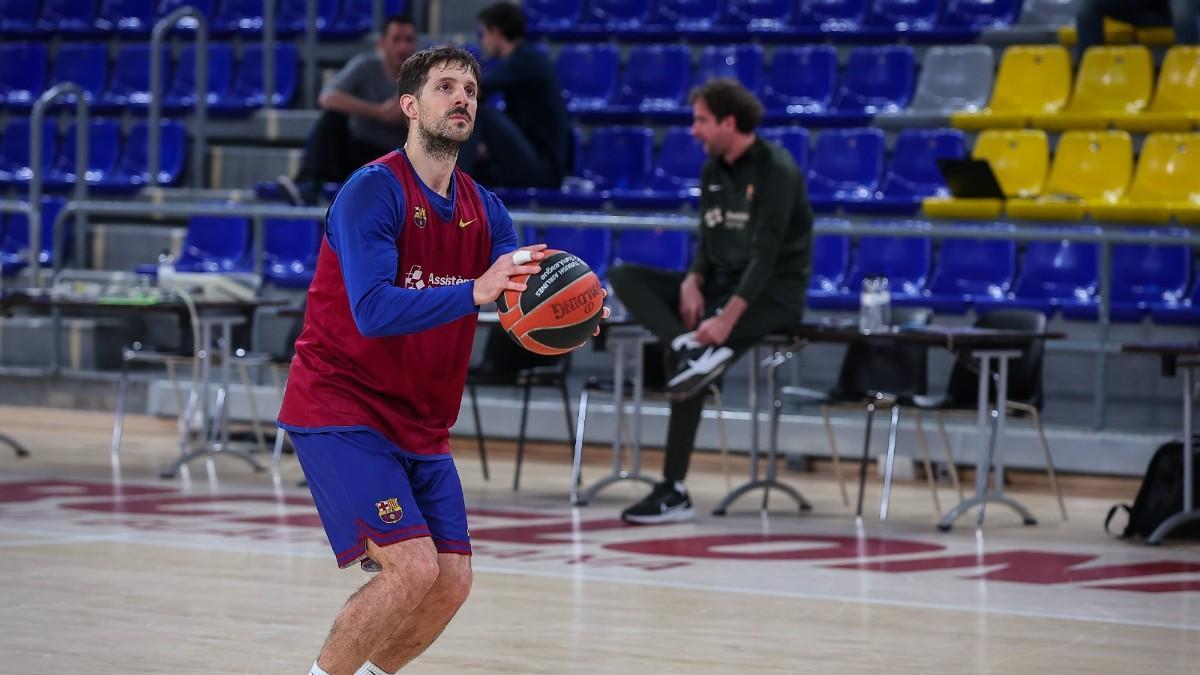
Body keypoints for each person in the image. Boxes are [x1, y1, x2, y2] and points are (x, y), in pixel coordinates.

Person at [277, 45, 605, 675]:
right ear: (410, 105)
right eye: (446, 86)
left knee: (451, 580)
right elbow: (372, 310)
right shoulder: (371, 192)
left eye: (471, 90)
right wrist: (472, 291)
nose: (462, 98)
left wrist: (577, 314)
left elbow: (519, 299)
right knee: (413, 567)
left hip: (423, 421)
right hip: (342, 406)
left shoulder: (489, 210)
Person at [608, 78, 814, 526]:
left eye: (701, 121)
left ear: (729, 122)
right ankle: (688, 347)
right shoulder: (712, 170)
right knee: (625, 275)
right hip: (720, 286)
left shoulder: (776, 170)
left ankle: (673, 488)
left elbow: (765, 257)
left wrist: (725, 321)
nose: (694, 131)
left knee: (692, 372)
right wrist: (693, 281)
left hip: (773, 294)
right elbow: (711, 236)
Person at [276, 14, 418, 206]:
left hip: (397, 158)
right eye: (396, 40)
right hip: (358, 150)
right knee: (332, 117)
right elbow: (327, 98)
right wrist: (379, 112)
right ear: (382, 43)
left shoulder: (423, 77)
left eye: (408, 40)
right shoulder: (365, 66)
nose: (403, 47)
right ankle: (307, 185)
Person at [456, 1, 570, 189]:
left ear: (496, 33)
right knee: (479, 171)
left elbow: (478, 91)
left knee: (481, 112)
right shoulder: (524, 61)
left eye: (483, 34)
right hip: (536, 162)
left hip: (544, 171)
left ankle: (451, 190)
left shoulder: (525, 59)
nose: (482, 42)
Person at [1075, 0, 1199, 54]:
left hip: (1171, 9)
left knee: (1182, 9)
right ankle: (1089, 73)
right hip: (1139, 8)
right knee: (1087, 6)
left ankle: (1190, 69)